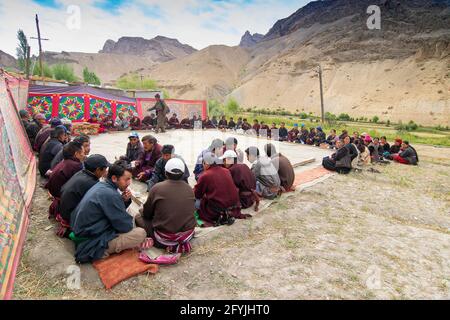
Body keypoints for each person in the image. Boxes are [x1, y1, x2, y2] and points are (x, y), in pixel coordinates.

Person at [70, 162, 149, 263]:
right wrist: (120, 202)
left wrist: (123, 201)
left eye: (130, 179)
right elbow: (126, 226)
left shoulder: (101, 185)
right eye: (126, 179)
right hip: (89, 240)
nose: (129, 183)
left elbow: (110, 210)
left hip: (82, 229)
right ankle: (101, 251)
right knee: (140, 233)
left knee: (127, 219)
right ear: (114, 178)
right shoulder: (111, 194)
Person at [136, 158, 196, 253]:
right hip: (187, 235)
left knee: (138, 216)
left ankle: (165, 243)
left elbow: (147, 215)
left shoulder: (157, 188)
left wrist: (142, 210)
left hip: (164, 239)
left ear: (166, 173)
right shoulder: (189, 189)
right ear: (183, 173)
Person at [57, 155, 110, 238]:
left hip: (64, 210)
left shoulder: (81, 173)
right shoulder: (92, 183)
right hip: (70, 217)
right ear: (97, 170)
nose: (106, 171)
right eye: (105, 169)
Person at [194, 152, 250, 227]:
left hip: (217, 212)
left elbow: (197, 194)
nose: (203, 166)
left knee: (196, 201)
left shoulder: (205, 175)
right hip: (233, 209)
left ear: (206, 163)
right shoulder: (226, 171)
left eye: (203, 163)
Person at [45, 141, 85, 219]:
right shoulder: (76, 166)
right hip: (63, 198)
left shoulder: (65, 162)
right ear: (76, 154)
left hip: (56, 194)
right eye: (83, 153)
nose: (84, 155)